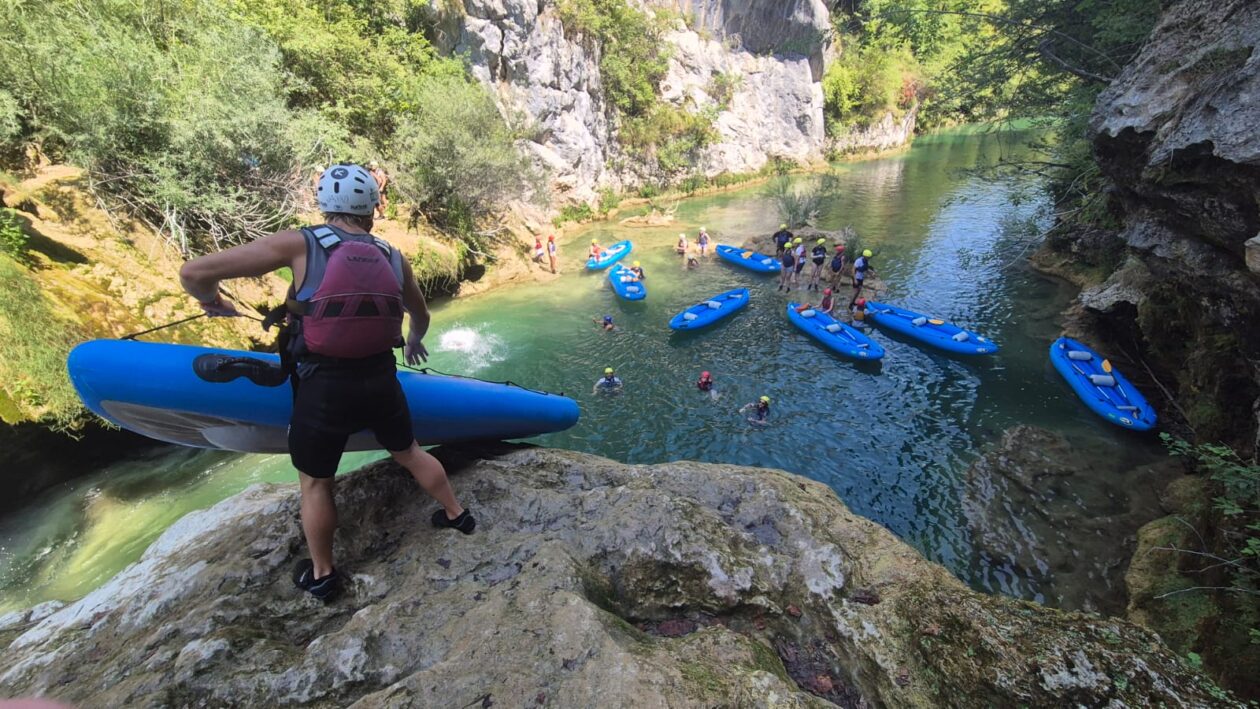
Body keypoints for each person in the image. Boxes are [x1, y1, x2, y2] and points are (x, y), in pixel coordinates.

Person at [179, 163, 474, 601]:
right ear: (373, 205)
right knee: (409, 452)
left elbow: (193, 273)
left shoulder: (301, 243)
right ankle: (456, 514)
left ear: (325, 204)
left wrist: (212, 302)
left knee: (316, 482)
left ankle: (322, 573)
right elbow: (421, 315)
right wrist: (412, 341)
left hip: (324, 386)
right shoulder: (393, 255)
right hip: (380, 378)